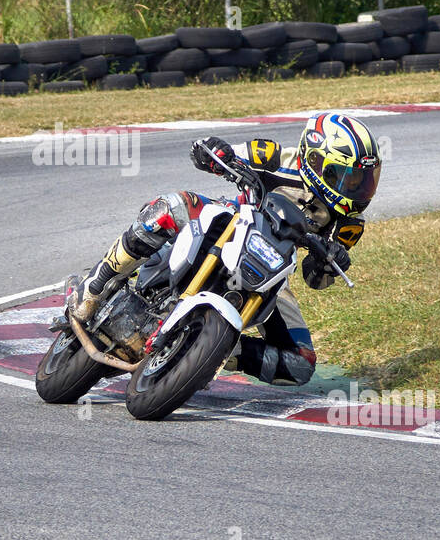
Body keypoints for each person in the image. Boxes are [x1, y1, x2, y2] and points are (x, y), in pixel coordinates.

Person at [67, 111, 382, 386]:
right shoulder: (275, 156)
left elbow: (316, 279)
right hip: (228, 223)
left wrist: (330, 262)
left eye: (364, 179)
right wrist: (214, 151)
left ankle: (211, 351)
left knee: (301, 364)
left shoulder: (349, 223)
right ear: (317, 160)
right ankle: (99, 281)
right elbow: (219, 153)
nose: (358, 188)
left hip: (273, 269)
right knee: (172, 205)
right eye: (350, 178)